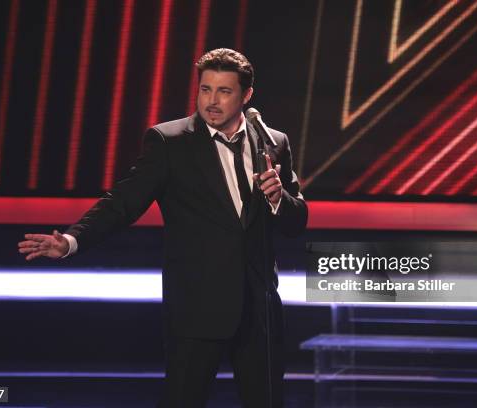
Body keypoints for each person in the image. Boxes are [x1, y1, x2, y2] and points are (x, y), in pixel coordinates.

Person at [18, 48, 307, 407]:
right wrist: (73, 239)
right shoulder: (170, 141)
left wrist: (279, 199)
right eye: (205, 89)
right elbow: (123, 202)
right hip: (198, 307)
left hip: (260, 310)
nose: (212, 101)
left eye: (224, 91)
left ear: (246, 95)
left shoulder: (273, 143)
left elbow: (297, 222)